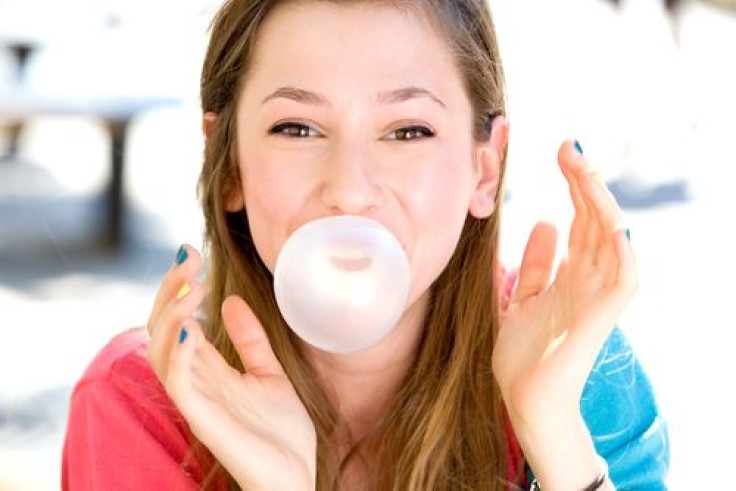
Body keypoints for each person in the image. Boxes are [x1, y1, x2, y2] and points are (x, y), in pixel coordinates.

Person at [62, 0, 670, 489]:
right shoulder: (140, 407)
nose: (350, 192)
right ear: (228, 167)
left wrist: (554, 433)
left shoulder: (573, 371)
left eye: (409, 130)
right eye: (296, 128)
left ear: (484, 169)